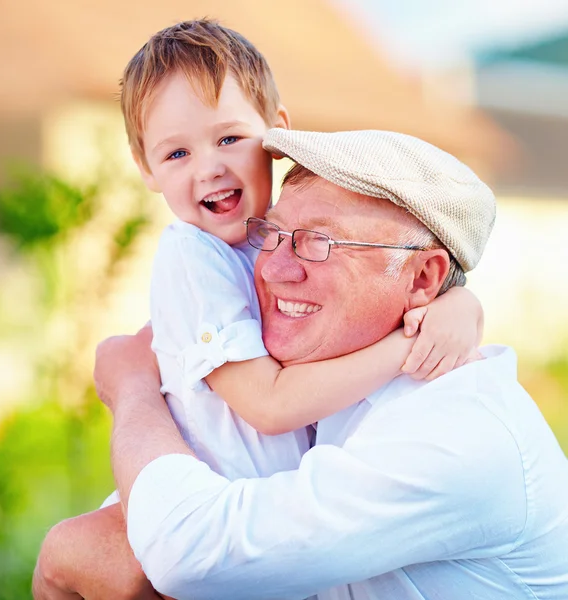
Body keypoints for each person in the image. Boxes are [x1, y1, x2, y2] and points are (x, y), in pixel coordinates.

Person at [33, 22, 483, 599]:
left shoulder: (272, 243)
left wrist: (462, 303)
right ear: (145, 167)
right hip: (199, 511)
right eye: (175, 152)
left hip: (260, 524)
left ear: (277, 133)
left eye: (228, 139)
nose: (208, 168)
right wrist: (405, 349)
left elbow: (401, 281)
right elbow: (269, 405)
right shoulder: (190, 258)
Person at [63, 129, 568, 599]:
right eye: (274, 234)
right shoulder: (336, 380)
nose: (277, 270)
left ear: (423, 279)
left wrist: (132, 389)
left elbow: (188, 552)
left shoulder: (457, 434)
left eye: (320, 243)